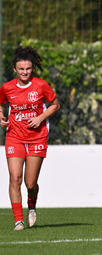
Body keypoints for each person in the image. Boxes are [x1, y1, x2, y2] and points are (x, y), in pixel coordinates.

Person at [0, 46, 60, 230]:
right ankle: (19, 220)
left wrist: (40, 117)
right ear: (14, 70)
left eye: (27, 69)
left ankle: (31, 204)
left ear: (32, 68)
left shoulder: (41, 85)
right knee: (15, 178)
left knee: (30, 183)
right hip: (14, 137)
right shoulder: (7, 87)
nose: (25, 72)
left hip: (37, 137)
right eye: (21, 69)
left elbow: (55, 105)